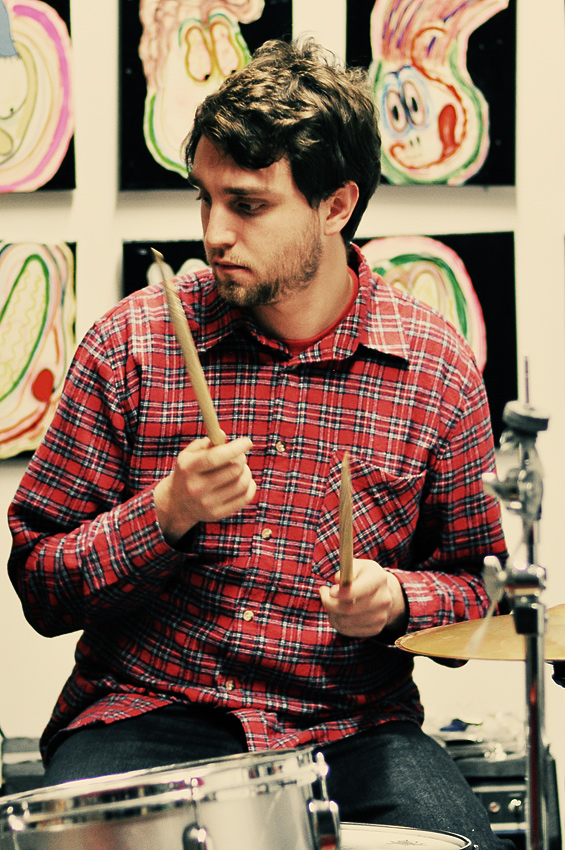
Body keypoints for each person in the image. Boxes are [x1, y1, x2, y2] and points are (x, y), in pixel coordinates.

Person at [8, 38, 512, 848]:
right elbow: (40, 584)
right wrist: (164, 514)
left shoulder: (433, 368)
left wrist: (397, 600)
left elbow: (480, 592)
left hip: (353, 729)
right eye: (204, 198)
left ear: (335, 205)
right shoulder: (130, 344)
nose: (214, 232)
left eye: (246, 204)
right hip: (149, 711)